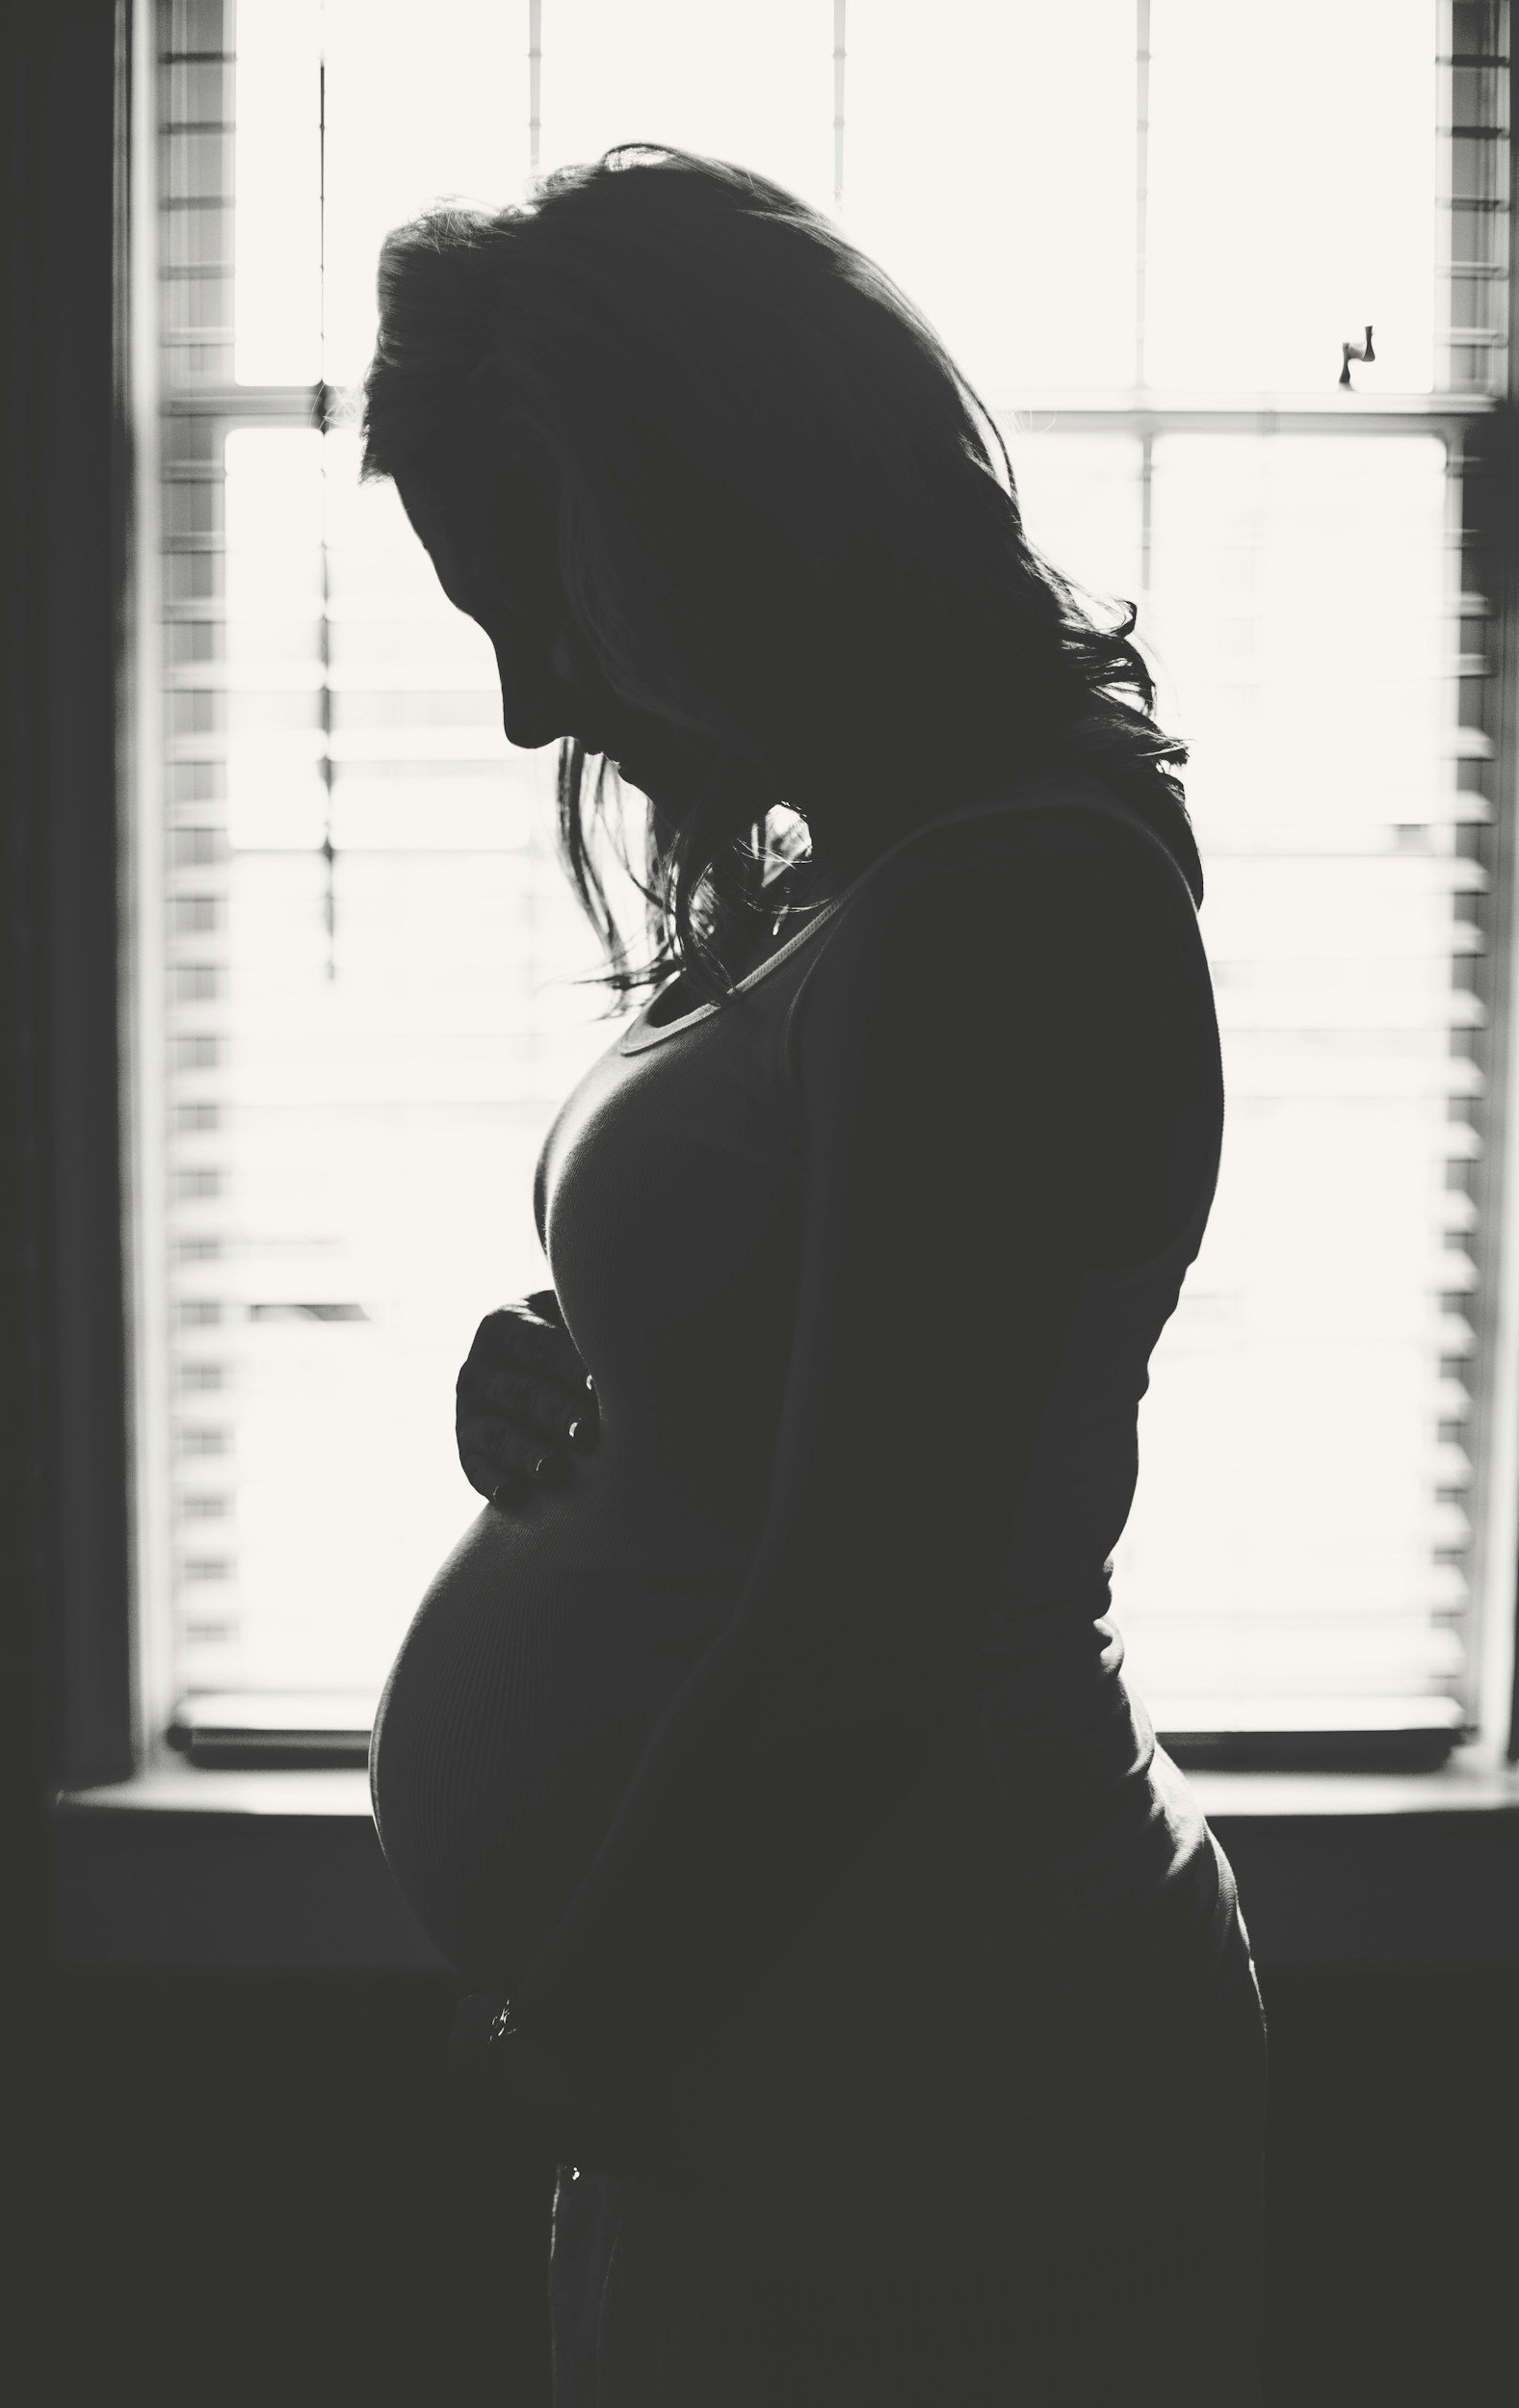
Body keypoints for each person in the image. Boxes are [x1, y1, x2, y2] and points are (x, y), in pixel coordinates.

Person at [362, 144, 1267, 2404]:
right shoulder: (866, 876)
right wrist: (615, 1388)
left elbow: (868, 1629)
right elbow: (845, 1385)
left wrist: (551, 2060)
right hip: (815, 2056)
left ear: (702, 513)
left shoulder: (1003, 910)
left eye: (531, 608)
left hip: (948, 2087)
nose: (523, 709)